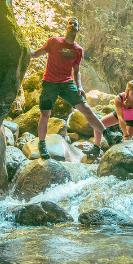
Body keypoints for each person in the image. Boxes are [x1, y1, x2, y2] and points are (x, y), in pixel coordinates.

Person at [29, 17, 107, 159]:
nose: (72, 25)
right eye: (70, 23)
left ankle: (108, 135)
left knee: (86, 109)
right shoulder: (54, 41)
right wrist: (25, 51)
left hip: (67, 84)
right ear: (66, 27)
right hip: (50, 83)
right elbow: (36, 53)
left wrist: (79, 86)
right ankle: (42, 145)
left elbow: (76, 71)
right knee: (45, 114)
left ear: (78, 29)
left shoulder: (78, 50)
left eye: (75, 24)